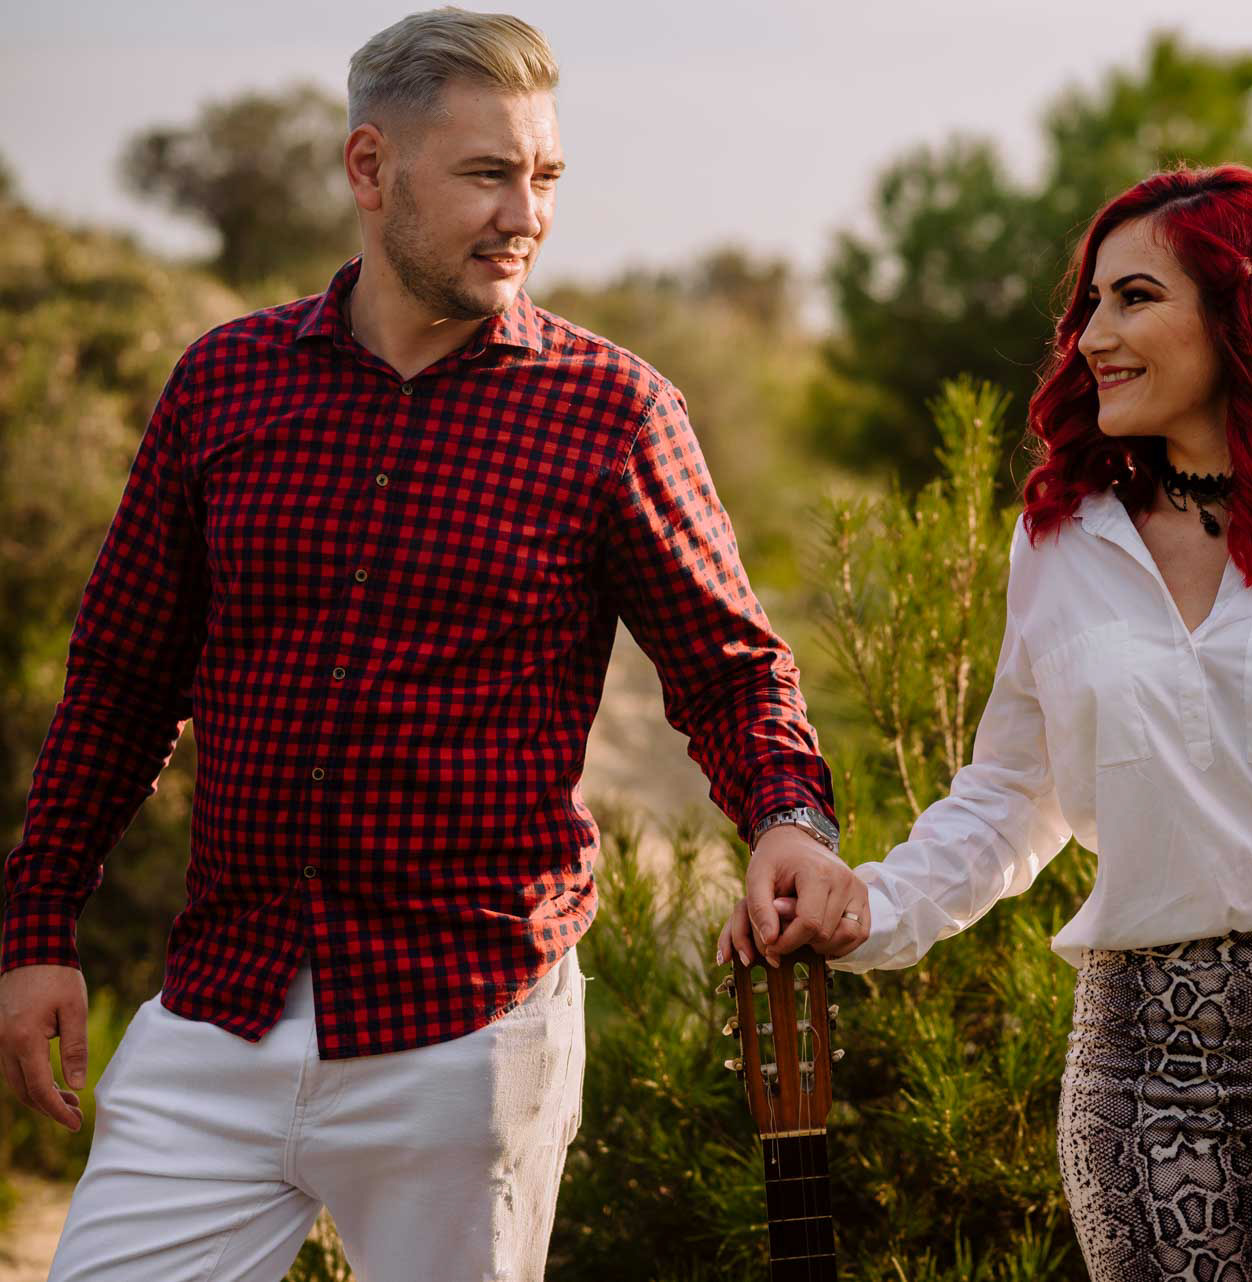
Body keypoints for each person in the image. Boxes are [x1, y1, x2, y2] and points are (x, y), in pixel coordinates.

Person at [0, 9, 867, 1280]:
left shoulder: (612, 411)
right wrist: (38, 929)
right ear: (369, 169)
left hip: (466, 1036)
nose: (527, 213)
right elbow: (122, 683)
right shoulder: (224, 385)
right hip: (220, 1007)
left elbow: (733, 672)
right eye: (488, 173)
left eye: (546, 175)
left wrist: (791, 816)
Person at [721, 164, 1252, 1282]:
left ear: (1244, 309)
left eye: (1133, 300)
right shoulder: (1060, 542)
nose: (1089, 339)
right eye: (1089, 307)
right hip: (1144, 1062)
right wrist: (869, 903)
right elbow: (1013, 797)